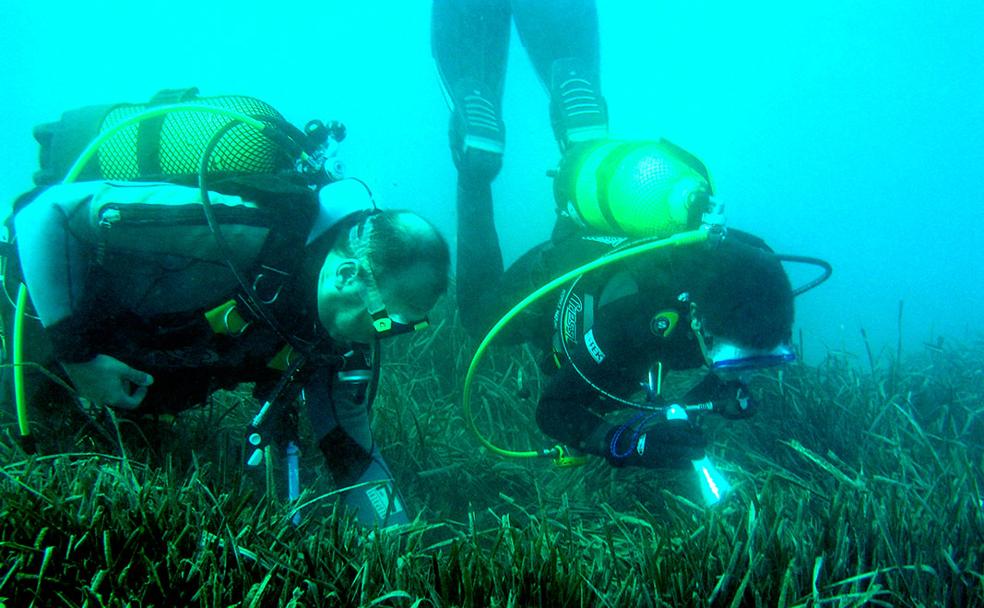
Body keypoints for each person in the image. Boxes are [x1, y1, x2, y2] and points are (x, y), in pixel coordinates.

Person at [433, 1, 799, 471]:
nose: (740, 366)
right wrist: (628, 443)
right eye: (731, 358)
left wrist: (719, 391)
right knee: (482, 320)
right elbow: (555, 410)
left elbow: (733, 339)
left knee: (596, 228)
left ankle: (583, 137)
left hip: (618, 245)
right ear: (698, 321)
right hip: (563, 275)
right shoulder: (635, 329)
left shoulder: (752, 272)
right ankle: (476, 171)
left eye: (761, 359)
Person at [8, 170, 450, 527]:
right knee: (19, 420)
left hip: (130, 357)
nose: (382, 339)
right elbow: (41, 214)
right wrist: (77, 356)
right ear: (348, 277)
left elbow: (350, 449)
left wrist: (396, 537)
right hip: (38, 304)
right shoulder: (241, 227)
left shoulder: (342, 338)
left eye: (404, 329)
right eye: (387, 321)